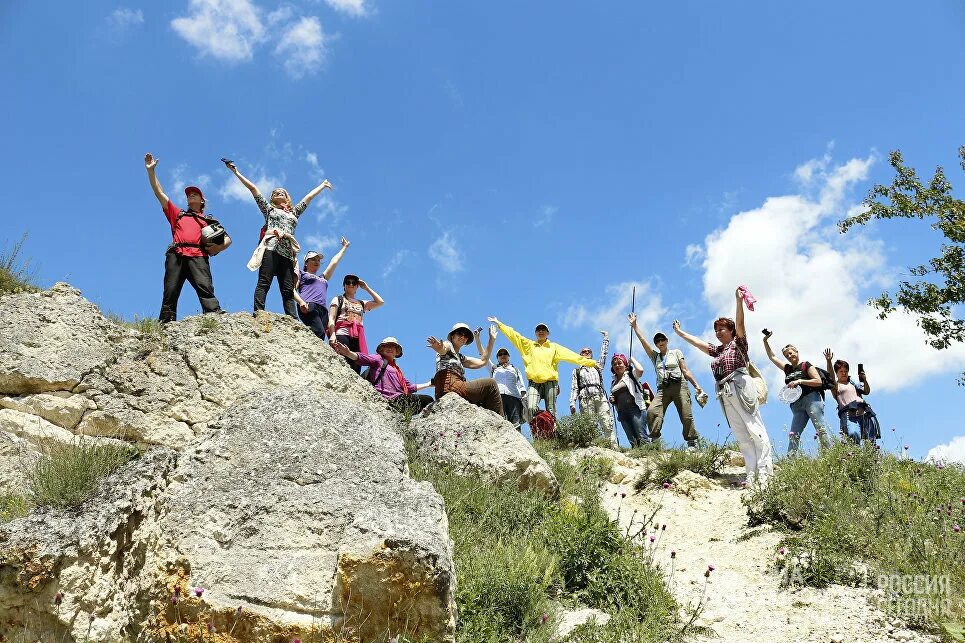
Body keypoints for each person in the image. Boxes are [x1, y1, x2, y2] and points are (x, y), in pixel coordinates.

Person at [673, 288, 774, 486]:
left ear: (731, 331)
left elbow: (741, 323)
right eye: (716, 330)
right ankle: (751, 474)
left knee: (754, 428)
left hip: (741, 386)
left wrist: (738, 302)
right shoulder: (718, 350)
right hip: (725, 391)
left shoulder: (739, 344)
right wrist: (680, 333)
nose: (718, 333)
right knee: (741, 434)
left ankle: (765, 473)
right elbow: (699, 344)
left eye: (722, 329)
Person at [224, 160, 333, 318]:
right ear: (272, 198)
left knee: (288, 289)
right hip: (271, 249)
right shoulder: (269, 210)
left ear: (287, 197)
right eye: (275, 193)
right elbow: (253, 189)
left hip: (288, 254)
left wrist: (322, 186)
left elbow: (308, 198)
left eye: (282, 192)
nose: (279, 193)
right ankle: (259, 312)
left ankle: (292, 319)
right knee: (264, 282)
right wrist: (236, 172)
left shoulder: (293, 213)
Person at [144, 153, 228, 323]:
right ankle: (166, 322)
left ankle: (213, 316)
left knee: (205, 287)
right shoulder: (178, 215)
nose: (190, 195)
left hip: (198, 254)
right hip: (176, 253)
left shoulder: (208, 220)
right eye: (189, 194)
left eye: (194, 194)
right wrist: (151, 171)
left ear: (202, 201)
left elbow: (227, 239)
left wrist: (217, 248)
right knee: (170, 290)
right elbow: (159, 193)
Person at [488, 317, 599, 427]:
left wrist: (592, 363)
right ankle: (538, 432)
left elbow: (572, 356)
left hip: (550, 382)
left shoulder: (554, 347)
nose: (541, 331)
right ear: (535, 333)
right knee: (531, 407)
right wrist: (499, 324)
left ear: (548, 333)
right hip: (534, 383)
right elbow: (513, 335)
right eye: (538, 330)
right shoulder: (528, 345)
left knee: (551, 409)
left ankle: (553, 433)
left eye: (543, 329)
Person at [629, 314, 702, 448]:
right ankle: (655, 440)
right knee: (652, 411)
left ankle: (692, 442)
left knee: (686, 415)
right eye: (657, 341)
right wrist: (635, 327)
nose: (660, 342)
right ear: (656, 344)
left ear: (667, 340)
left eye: (662, 339)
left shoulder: (676, 352)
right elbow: (643, 341)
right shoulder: (655, 356)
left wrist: (697, 386)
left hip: (680, 386)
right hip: (663, 389)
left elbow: (685, 370)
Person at [763, 332, 831, 452]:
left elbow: (818, 381)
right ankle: (790, 462)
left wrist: (799, 381)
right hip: (796, 404)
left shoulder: (805, 365)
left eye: (790, 353)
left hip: (811, 399)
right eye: (786, 355)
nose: (789, 356)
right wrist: (765, 341)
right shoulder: (788, 369)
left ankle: (831, 455)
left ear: (796, 352)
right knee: (793, 434)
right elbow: (772, 357)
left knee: (820, 428)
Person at [331, 337, 434, 415]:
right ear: (381, 349)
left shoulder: (397, 370)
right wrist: (348, 353)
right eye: (386, 346)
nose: (390, 348)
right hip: (389, 398)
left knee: (428, 400)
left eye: (393, 346)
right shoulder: (378, 359)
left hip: (400, 398)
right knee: (427, 401)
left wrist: (429, 384)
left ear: (396, 351)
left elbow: (410, 387)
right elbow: (362, 358)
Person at [427, 323, 503, 415]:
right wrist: (439, 348)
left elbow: (483, 362)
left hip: (444, 391)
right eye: (460, 333)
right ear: (452, 336)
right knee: (491, 384)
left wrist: (491, 340)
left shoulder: (460, 357)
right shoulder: (448, 345)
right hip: (453, 386)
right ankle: (500, 420)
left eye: (466, 335)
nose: (463, 336)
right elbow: (443, 349)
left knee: (482, 402)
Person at [293, 238, 350, 339]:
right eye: (313, 259)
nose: (317, 262)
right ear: (306, 263)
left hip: (323, 310)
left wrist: (344, 248)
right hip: (308, 305)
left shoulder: (322, 278)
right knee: (319, 332)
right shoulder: (302, 274)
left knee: (320, 336)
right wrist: (301, 302)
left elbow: (334, 262)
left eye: (319, 260)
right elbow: (292, 289)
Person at [568, 332, 618, 446]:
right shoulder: (577, 370)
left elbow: (603, 354)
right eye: (584, 352)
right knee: (590, 424)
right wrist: (572, 403)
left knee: (607, 421)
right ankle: (593, 447)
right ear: (580, 355)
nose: (586, 353)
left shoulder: (597, 365)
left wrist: (606, 339)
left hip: (600, 396)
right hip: (585, 398)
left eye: (589, 351)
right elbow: (574, 387)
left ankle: (613, 446)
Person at [327, 275, 385, 373]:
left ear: (357, 286)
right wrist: (332, 335)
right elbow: (331, 318)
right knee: (341, 363)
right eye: (348, 282)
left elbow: (380, 302)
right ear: (344, 285)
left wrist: (366, 288)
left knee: (356, 366)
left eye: (354, 283)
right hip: (342, 334)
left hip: (358, 337)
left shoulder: (362, 303)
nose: (351, 284)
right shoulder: (338, 299)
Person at [824, 349, 878, 444]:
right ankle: (855, 456)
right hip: (849, 414)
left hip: (864, 412)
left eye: (846, 371)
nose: (844, 373)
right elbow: (831, 378)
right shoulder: (836, 386)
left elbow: (866, 391)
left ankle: (871, 458)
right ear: (837, 373)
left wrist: (864, 379)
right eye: (841, 371)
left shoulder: (854, 384)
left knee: (870, 441)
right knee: (853, 434)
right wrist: (829, 361)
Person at [609, 354, 649, 447]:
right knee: (632, 440)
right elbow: (614, 397)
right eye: (614, 364)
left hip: (635, 409)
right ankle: (638, 457)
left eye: (620, 363)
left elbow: (640, 370)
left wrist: (632, 360)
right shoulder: (613, 382)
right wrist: (612, 400)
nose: (617, 366)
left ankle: (649, 457)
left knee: (642, 437)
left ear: (625, 365)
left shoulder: (631, 375)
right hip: (622, 412)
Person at [489, 347, 528, 429]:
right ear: (497, 357)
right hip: (498, 397)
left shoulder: (515, 369)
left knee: (515, 423)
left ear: (509, 356)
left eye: (505, 353)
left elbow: (521, 385)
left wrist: (524, 399)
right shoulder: (494, 369)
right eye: (500, 354)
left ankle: (518, 441)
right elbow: (484, 356)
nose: (502, 355)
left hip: (514, 397)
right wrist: (477, 338)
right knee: (499, 421)